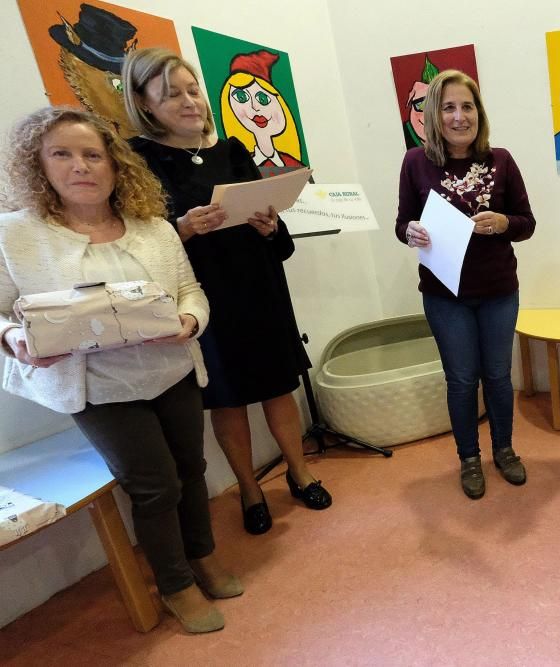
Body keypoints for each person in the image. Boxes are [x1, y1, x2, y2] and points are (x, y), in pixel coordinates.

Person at [0, 107, 241, 633]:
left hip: (168, 368)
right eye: (61, 154)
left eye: (93, 154)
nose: (80, 166)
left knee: (192, 470)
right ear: (38, 165)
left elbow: (190, 291)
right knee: (155, 487)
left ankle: (203, 556)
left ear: (115, 164)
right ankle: (175, 583)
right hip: (96, 386)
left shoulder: (154, 227)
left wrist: (189, 320)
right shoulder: (15, 235)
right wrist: (15, 337)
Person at [122, 47, 331, 535]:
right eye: (171, 94)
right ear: (145, 104)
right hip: (204, 300)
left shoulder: (233, 150)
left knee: (280, 388)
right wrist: (183, 228)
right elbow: (136, 248)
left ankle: (300, 472)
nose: (190, 101)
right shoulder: (139, 161)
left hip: (261, 289)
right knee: (228, 399)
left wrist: (269, 226)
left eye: (193, 90)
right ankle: (250, 489)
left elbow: (281, 244)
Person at [396, 69, 535, 499]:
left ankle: (505, 450)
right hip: (444, 295)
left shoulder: (502, 160)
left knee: (497, 375)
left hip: (497, 290)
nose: (460, 116)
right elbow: (403, 222)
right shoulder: (415, 162)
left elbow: (527, 223)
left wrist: (501, 223)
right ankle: (469, 459)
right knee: (460, 380)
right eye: (449, 107)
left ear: (479, 112)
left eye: (468, 106)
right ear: (435, 115)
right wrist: (411, 233)